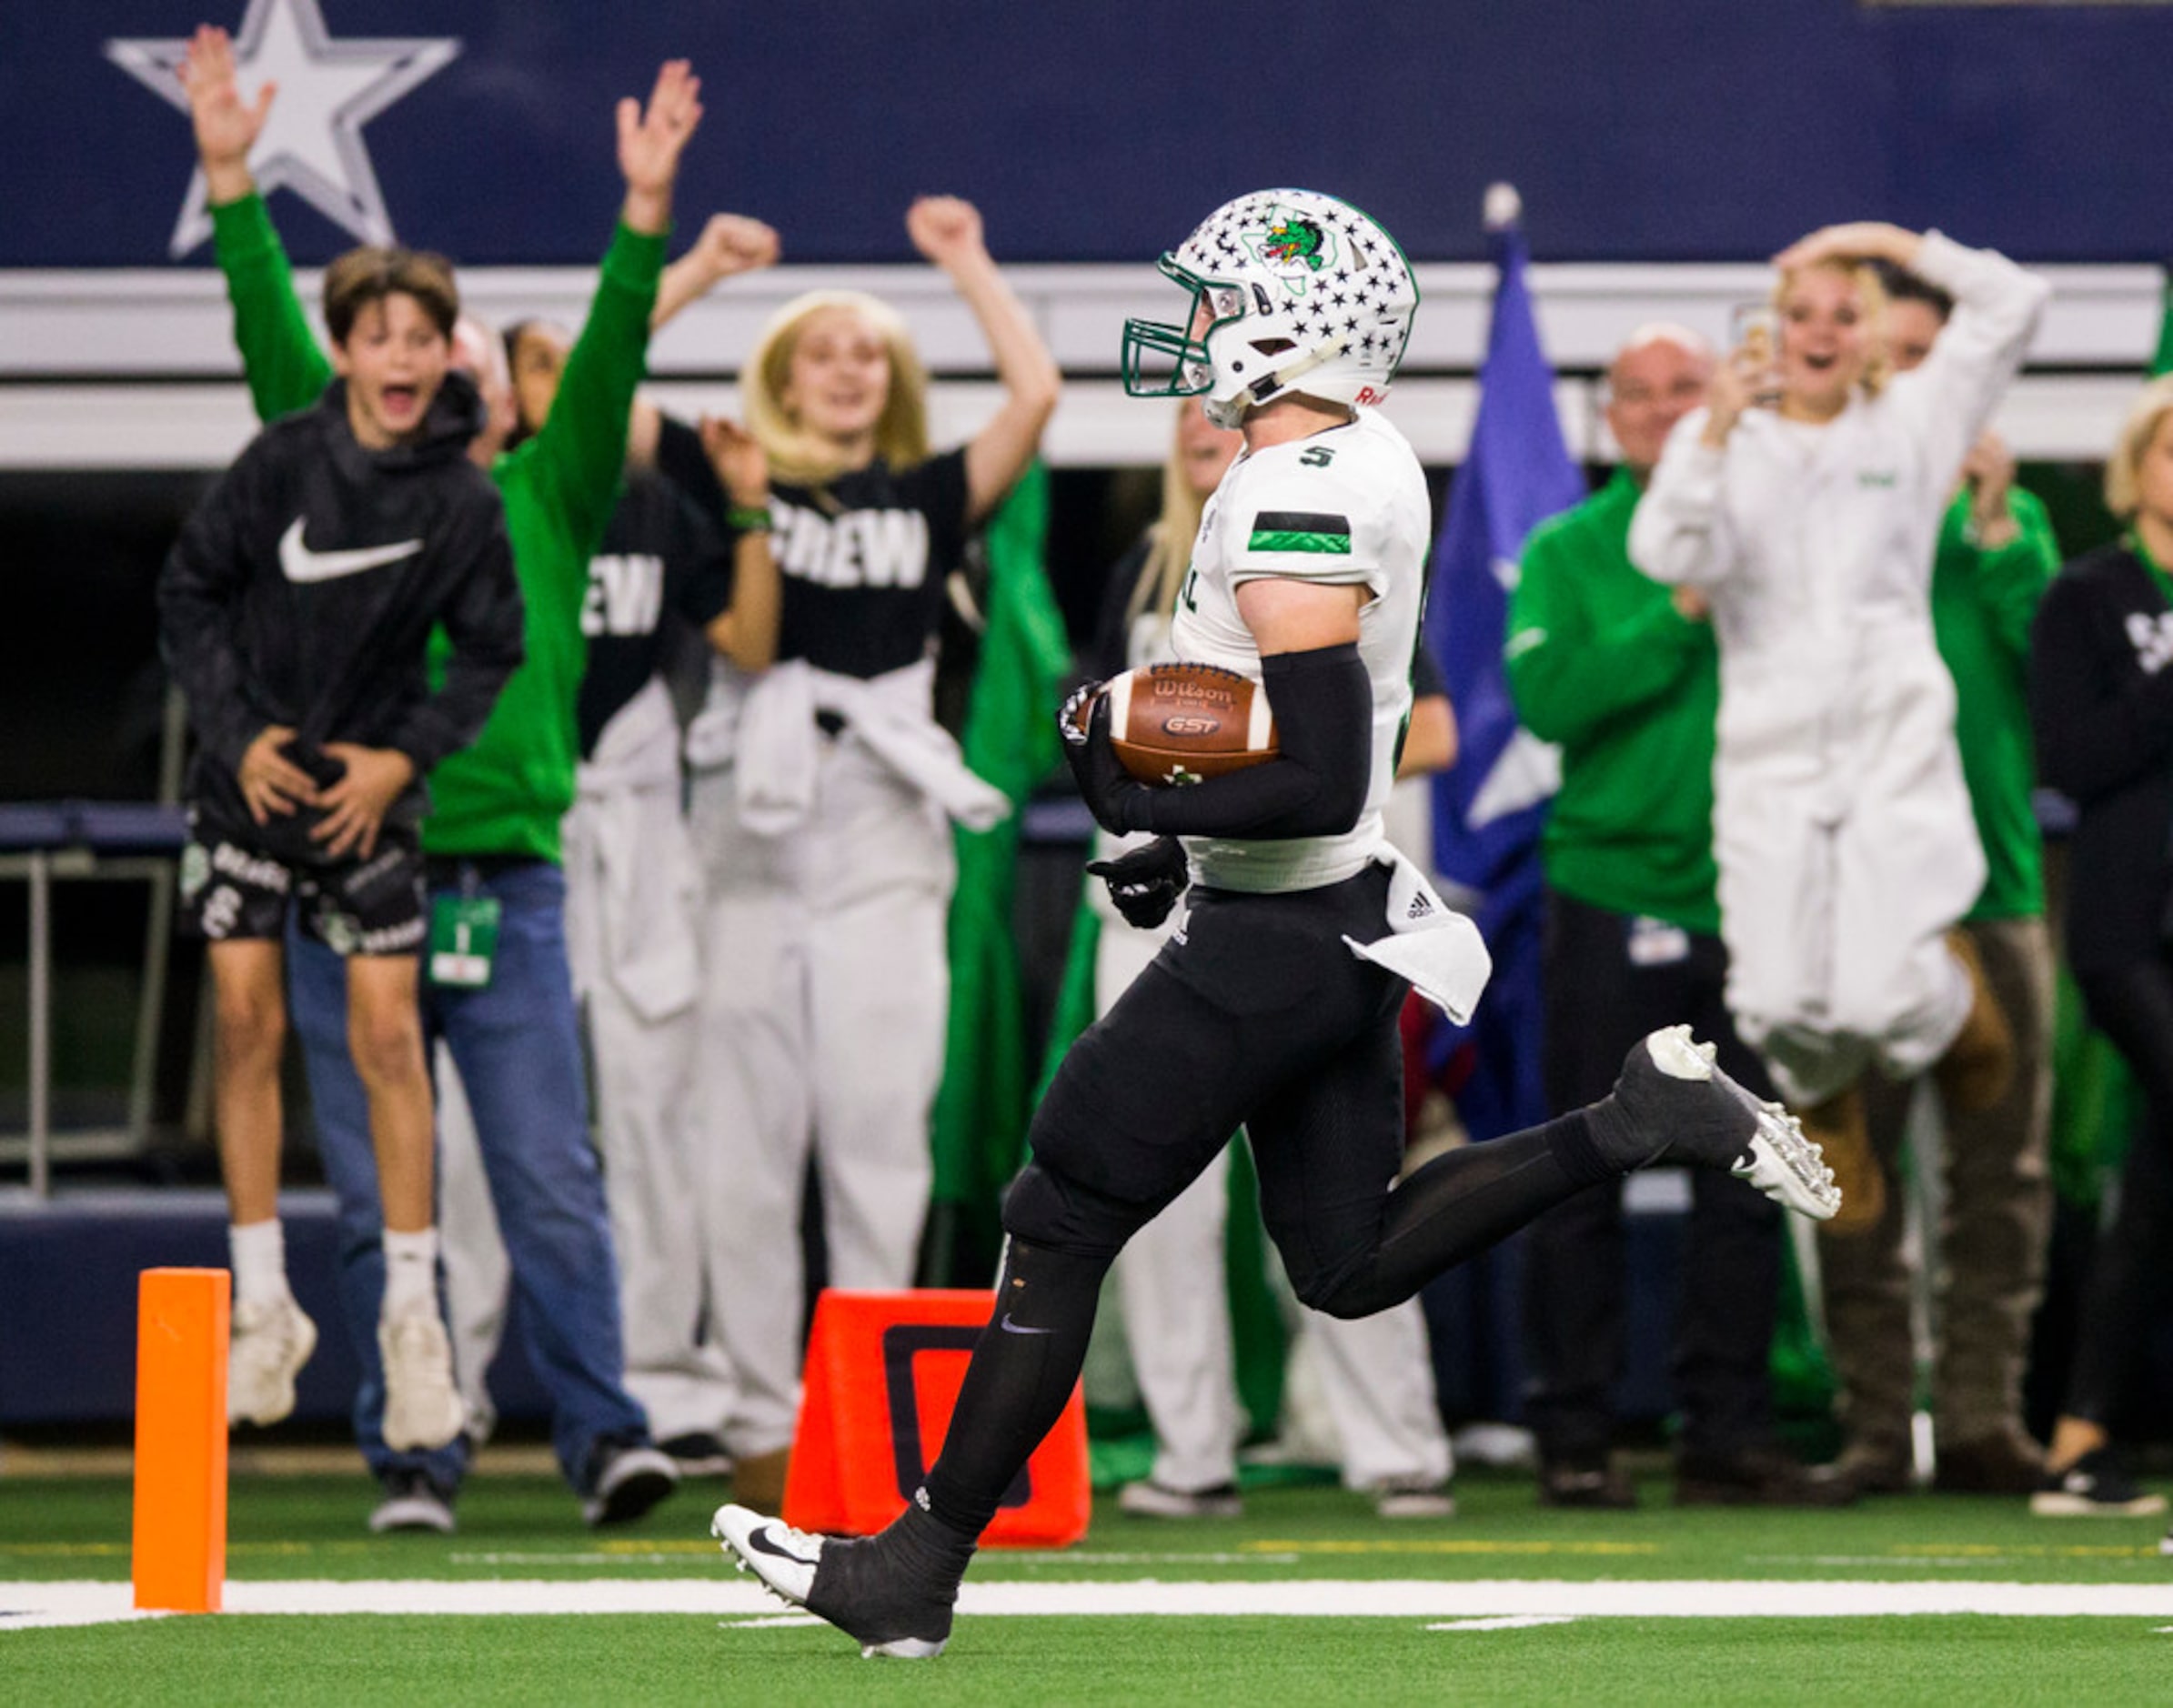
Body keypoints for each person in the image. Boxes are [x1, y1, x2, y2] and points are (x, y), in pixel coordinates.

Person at [713, 186, 1839, 1659]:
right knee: (1346, 1257)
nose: (1184, 331)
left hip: (1283, 931)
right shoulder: (1328, 457)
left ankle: (912, 1564)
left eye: (1205, 301)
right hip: (1318, 916)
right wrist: (1176, 833)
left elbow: (1308, 768)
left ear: (1276, 324)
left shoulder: (1292, 483)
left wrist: (1116, 773)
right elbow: (1298, 758)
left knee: (1059, 1205)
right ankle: (1636, 1118)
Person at [179, 25, 705, 1531]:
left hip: (513, 889)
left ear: (489, 378)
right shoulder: (318, 458)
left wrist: (646, 215)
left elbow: (610, 351)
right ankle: (414, 1456)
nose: (421, 365)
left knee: (548, 1173)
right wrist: (230, 180)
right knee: (367, 1186)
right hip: (351, 876)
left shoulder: (547, 489)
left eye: (451, 344)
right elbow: (273, 340)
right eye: (395, 347)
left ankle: (605, 1435)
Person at [648, 196, 1060, 1512]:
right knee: (743, 1145)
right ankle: (762, 1417)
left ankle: (869, 1412)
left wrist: (966, 263)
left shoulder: (925, 490)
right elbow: (596, 390)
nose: (844, 368)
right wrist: (698, 271)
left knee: (882, 1134)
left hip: (885, 823)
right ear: (775, 373)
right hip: (751, 824)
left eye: (866, 352)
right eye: (819, 350)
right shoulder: (724, 478)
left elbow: (1037, 391)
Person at [158, 233, 522, 1453]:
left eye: (422, 338)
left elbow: (491, 650)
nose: (401, 357)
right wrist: (237, 730)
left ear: (442, 349)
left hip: (368, 796)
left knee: (386, 1041)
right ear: (345, 348)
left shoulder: (466, 500)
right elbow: (187, 589)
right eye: (379, 337)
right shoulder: (281, 461)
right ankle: (262, 1305)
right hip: (246, 788)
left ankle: (413, 1322)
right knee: (249, 1023)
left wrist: (400, 758)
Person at [430, 260, 783, 1477]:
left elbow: (745, 637)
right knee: (474, 1141)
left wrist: (743, 508)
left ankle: (664, 1382)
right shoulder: (475, 511)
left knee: (650, 1115)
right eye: (532, 362)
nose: (558, 378)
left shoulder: (639, 506)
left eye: (560, 360)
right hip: (507, 843)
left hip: (634, 837)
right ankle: (446, 1391)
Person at [1628, 223, 2048, 1207]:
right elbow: (1666, 559)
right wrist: (1719, 432)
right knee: (1774, 1003)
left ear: (1870, 333)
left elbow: (2015, 305)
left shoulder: (1915, 419)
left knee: (1882, 997)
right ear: (1771, 332)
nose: (1821, 331)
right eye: (1800, 313)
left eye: (1845, 311)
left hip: (1890, 748)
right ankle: (1823, 1102)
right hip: (1768, 761)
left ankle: (1955, 1009)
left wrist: (1898, 243)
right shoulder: (1719, 437)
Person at [1086, 399, 1454, 1523]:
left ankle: (1395, 1445)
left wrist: (1261, 761)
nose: (1211, 431)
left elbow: (1427, 728)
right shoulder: (1149, 572)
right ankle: (1191, 1451)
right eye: (1194, 426)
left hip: (1296, 893)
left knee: (1336, 1188)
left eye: (1228, 421)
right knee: (1153, 1201)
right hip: (1165, 906)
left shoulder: (1318, 547)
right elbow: (1117, 733)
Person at [1506, 326, 1842, 1509]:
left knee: (1753, 1174)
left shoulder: (1780, 530)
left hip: (1757, 901)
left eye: (1681, 389)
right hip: (1606, 893)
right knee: (1579, 1173)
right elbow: (1547, 697)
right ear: (1609, 419)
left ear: (1723, 403)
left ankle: (1728, 1433)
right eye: (1634, 394)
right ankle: (1575, 1433)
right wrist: (1679, 611)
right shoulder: (1568, 548)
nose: (1656, 411)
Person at [1815, 264, 2061, 1498]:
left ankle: (1976, 1417)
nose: (1908, 381)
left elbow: (2052, 680)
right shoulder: (1827, 501)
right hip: (1856, 889)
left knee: (2000, 1176)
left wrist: (2000, 530)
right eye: (1890, 357)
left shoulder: (2004, 523)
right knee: (1851, 1161)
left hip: (1994, 890)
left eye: (1929, 359)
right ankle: (1871, 1427)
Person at [2024, 374, 2173, 1522]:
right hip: (2130, 932)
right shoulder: (2084, 595)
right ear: (2136, 466)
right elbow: (2073, 761)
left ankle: (2081, 1436)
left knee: (2158, 1177)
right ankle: (2080, 1431)